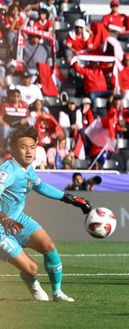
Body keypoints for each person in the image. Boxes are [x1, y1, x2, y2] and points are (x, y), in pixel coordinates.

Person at [0, 126, 93, 302]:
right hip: (2, 226)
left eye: (32, 147)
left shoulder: (28, 169)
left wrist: (70, 198)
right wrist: (4, 218)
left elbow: (40, 186)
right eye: (23, 147)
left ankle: (57, 293)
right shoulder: (8, 171)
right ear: (13, 149)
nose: (29, 152)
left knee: (49, 246)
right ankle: (32, 281)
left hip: (18, 220)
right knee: (32, 269)